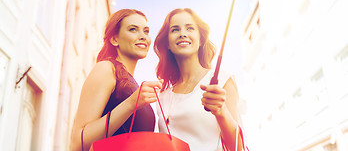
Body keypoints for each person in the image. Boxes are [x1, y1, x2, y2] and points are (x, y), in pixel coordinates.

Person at [70, 9, 163, 151]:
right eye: (133, 29)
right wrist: (131, 103)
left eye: (146, 31)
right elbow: (79, 142)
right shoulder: (106, 69)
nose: (143, 36)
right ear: (114, 39)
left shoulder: (131, 82)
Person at [154, 8, 244, 151]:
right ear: (167, 44)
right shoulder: (162, 97)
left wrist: (221, 111)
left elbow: (239, 147)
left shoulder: (222, 79)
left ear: (201, 39)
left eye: (190, 28)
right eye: (175, 30)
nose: (183, 34)